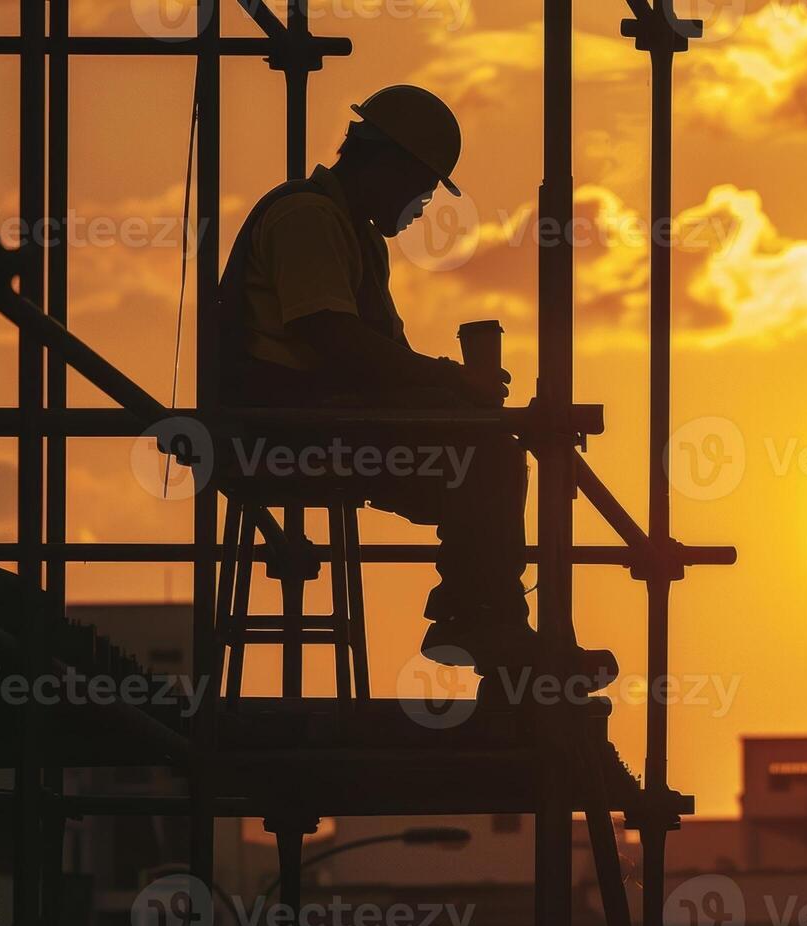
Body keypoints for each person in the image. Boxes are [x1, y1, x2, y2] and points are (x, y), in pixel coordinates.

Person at [213, 84, 612, 697]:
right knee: (481, 458)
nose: (422, 206)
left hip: (319, 425)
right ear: (390, 164)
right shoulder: (310, 218)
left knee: (480, 449)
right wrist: (452, 382)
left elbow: (379, 364)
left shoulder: (353, 232)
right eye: (421, 187)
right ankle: (483, 624)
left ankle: (491, 631)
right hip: (285, 435)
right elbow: (335, 339)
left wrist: (453, 397)